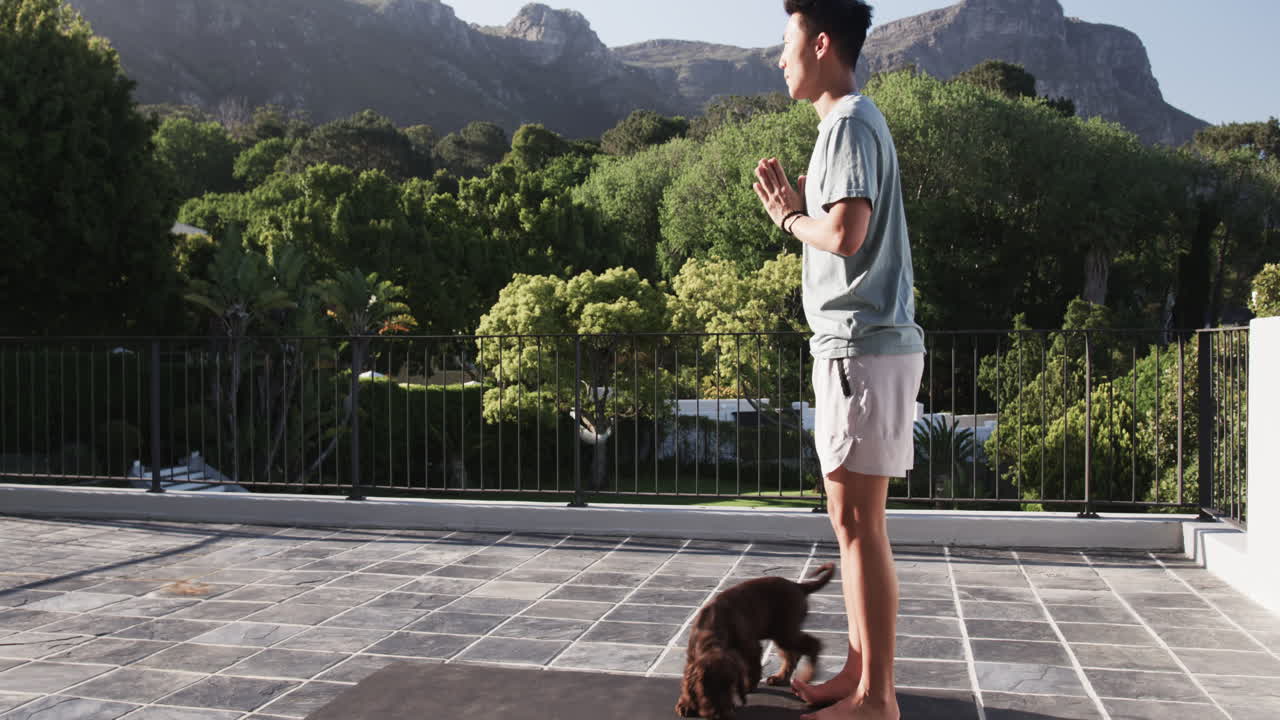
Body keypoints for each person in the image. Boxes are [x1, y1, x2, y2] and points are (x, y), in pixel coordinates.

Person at [751, 2, 925, 719]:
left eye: (787, 42)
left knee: (861, 524)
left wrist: (790, 218)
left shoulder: (851, 119)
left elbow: (848, 234)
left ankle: (877, 699)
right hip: (851, 350)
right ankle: (858, 679)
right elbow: (844, 227)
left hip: (864, 348)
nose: (780, 57)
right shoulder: (842, 126)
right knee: (850, 523)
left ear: (821, 43)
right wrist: (798, 210)